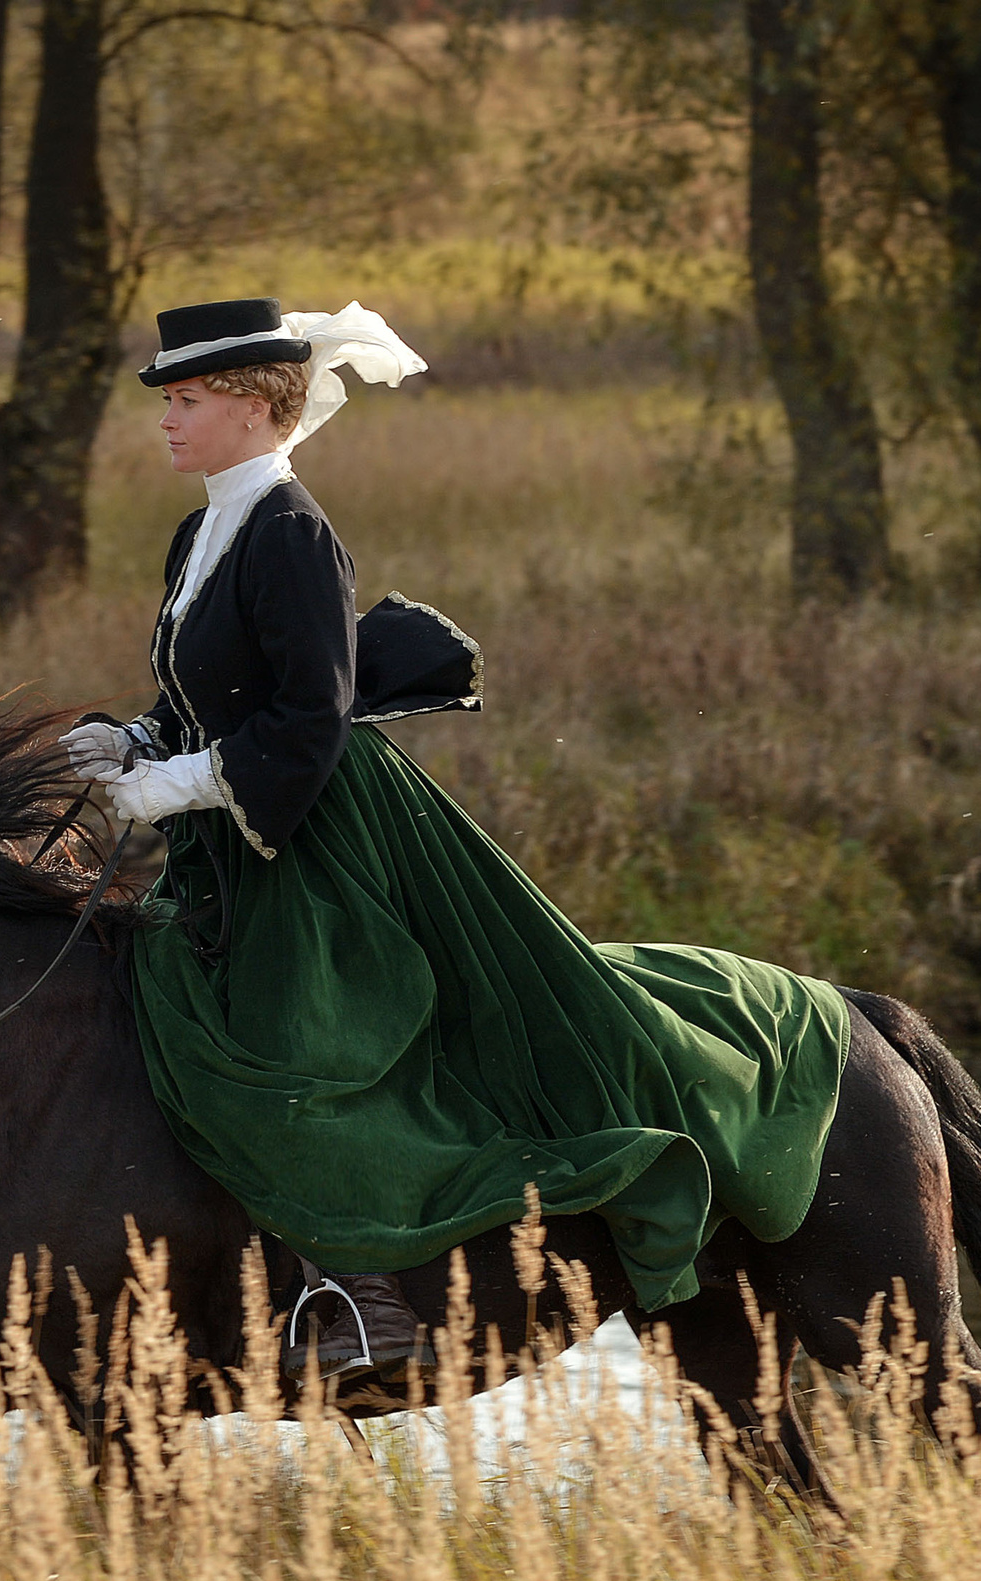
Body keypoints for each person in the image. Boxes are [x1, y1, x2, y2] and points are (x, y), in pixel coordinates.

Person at [65, 296, 851, 1381]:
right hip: (233, 842)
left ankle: (374, 1298)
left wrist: (176, 784)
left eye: (187, 399)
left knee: (293, 1050)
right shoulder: (200, 530)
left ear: (252, 405)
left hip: (319, 844)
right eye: (171, 400)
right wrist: (130, 736)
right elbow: (213, 692)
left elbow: (308, 715)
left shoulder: (292, 532)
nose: (168, 418)